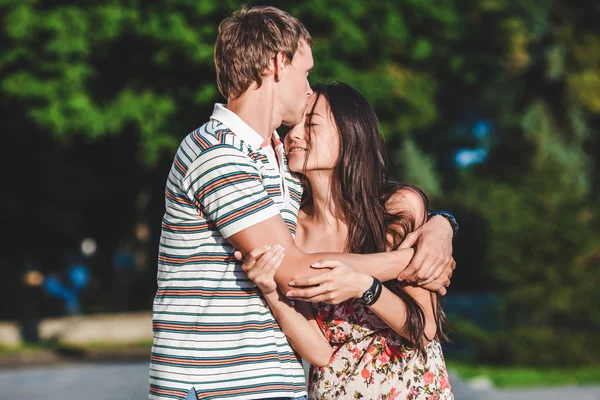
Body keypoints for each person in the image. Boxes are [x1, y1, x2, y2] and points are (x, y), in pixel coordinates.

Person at [149, 6, 456, 400]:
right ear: (279, 64)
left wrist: (441, 225)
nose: (309, 89)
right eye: (306, 72)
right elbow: (295, 269)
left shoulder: (281, 164)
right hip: (213, 384)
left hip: (274, 384)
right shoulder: (218, 153)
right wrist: (407, 261)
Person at [239, 82, 454, 399]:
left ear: (350, 133)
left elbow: (423, 329)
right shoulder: (290, 227)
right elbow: (318, 352)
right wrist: (272, 292)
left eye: (311, 124)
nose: (294, 135)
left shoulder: (397, 208)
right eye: (291, 126)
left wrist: (365, 287)